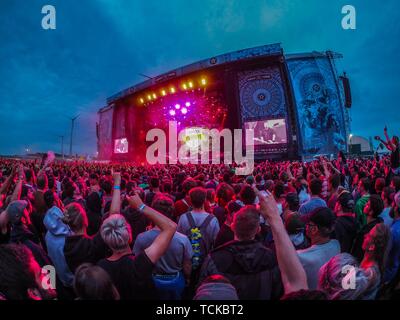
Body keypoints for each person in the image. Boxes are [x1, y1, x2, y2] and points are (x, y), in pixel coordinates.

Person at [97, 192, 177, 300]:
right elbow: (171, 227)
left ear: (106, 240)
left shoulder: (101, 267)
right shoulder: (139, 264)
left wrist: (116, 185)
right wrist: (141, 206)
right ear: (129, 236)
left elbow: (112, 219)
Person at [199, 206, 283, 300]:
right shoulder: (270, 257)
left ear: (232, 227)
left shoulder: (215, 258)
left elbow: (203, 291)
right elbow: (278, 291)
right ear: (258, 230)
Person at [133, 195, 193, 300]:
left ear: (154, 214)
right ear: (171, 213)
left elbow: (137, 261)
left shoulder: (142, 237)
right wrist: (187, 278)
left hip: (152, 280)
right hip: (175, 280)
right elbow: (187, 264)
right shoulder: (182, 239)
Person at [297, 207, 341, 289]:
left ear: (314, 229)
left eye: (308, 224)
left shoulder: (300, 257)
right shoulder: (337, 245)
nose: (306, 227)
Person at [177, 187, 220, 271]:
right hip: (206, 261)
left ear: (191, 200)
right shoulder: (213, 220)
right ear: (205, 200)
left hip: (187, 261)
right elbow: (215, 242)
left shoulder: (183, 218)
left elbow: (179, 239)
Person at [43, 190, 74, 288]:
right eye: (58, 198)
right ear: (55, 202)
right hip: (73, 280)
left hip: (60, 279)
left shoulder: (48, 235)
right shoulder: (69, 237)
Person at [360, 223, 390, 299]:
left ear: (372, 247)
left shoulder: (370, 272)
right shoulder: (367, 257)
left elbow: (354, 293)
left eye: (369, 235)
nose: (365, 235)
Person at [351, 195, 384, 262]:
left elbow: (358, 253)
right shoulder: (378, 224)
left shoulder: (366, 232)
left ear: (371, 212)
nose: (365, 204)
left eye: (368, 205)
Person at [384, 192, 400, 283]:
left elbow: (385, 255)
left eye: (393, 203)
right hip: (394, 269)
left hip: (387, 272)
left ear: (396, 208)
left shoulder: (393, 232)